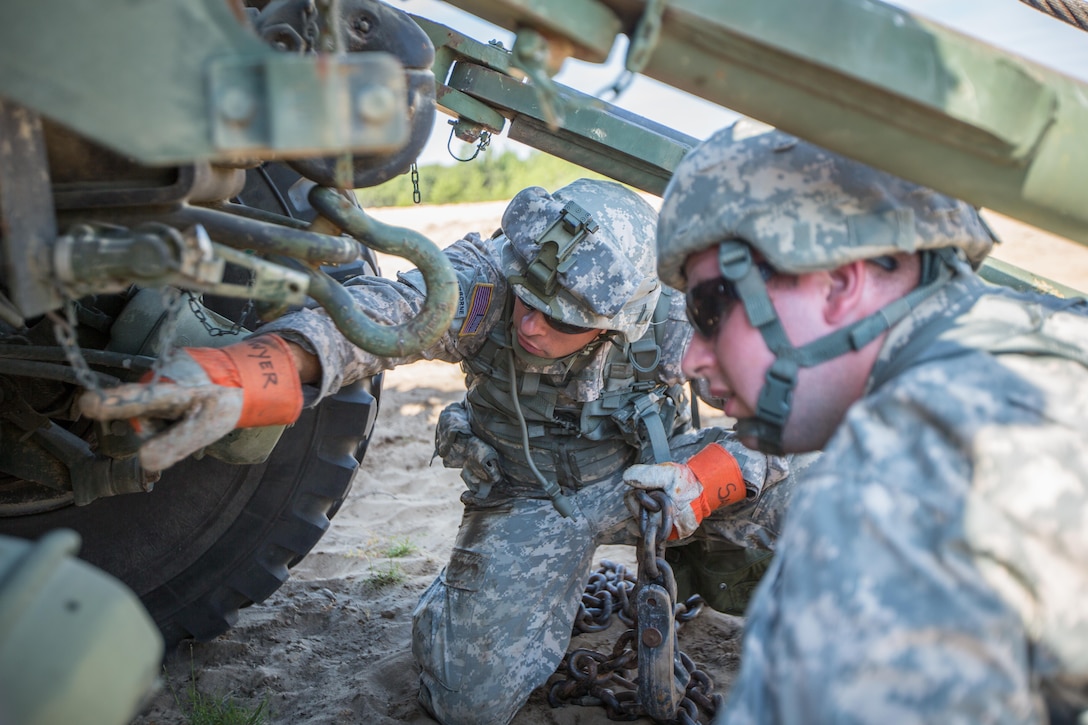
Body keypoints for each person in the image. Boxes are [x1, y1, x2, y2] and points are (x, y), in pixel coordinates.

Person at [80, 178, 813, 725]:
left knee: (796, 500)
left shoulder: (679, 313)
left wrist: (713, 476)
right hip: (534, 499)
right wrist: (268, 363)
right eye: (525, 297)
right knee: (467, 697)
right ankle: (470, 595)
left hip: (659, 484)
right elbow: (385, 313)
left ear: (622, 321)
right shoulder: (487, 283)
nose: (528, 324)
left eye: (557, 319)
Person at [655, 118, 1088, 723]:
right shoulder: (1055, 343)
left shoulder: (902, 475)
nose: (690, 359)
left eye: (708, 309)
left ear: (839, 281)